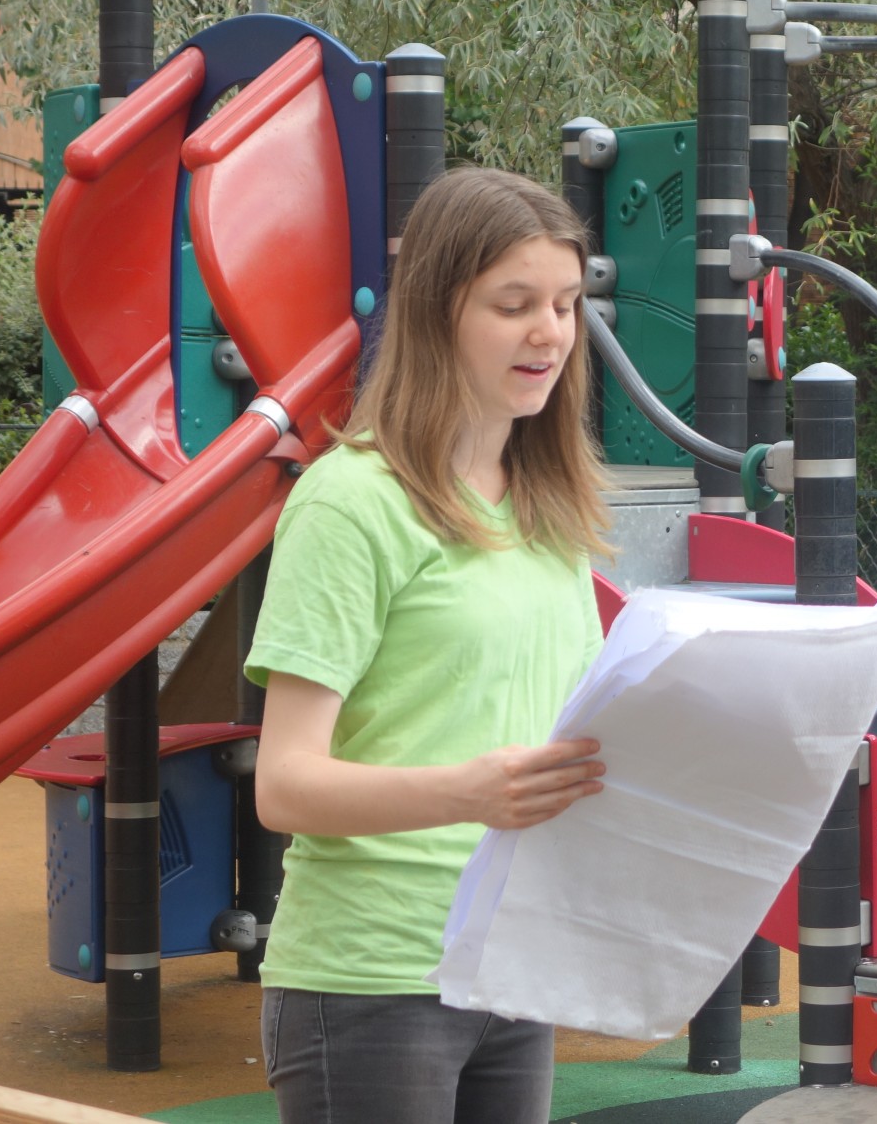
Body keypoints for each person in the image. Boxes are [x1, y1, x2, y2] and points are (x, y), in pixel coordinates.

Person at [246, 166, 613, 1124]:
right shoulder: (351, 502)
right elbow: (284, 784)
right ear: (439, 309)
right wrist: (469, 790)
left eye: (568, 304)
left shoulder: (550, 506)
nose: (551, 331)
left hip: (511, 959)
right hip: (371, 977)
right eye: (515, 303)